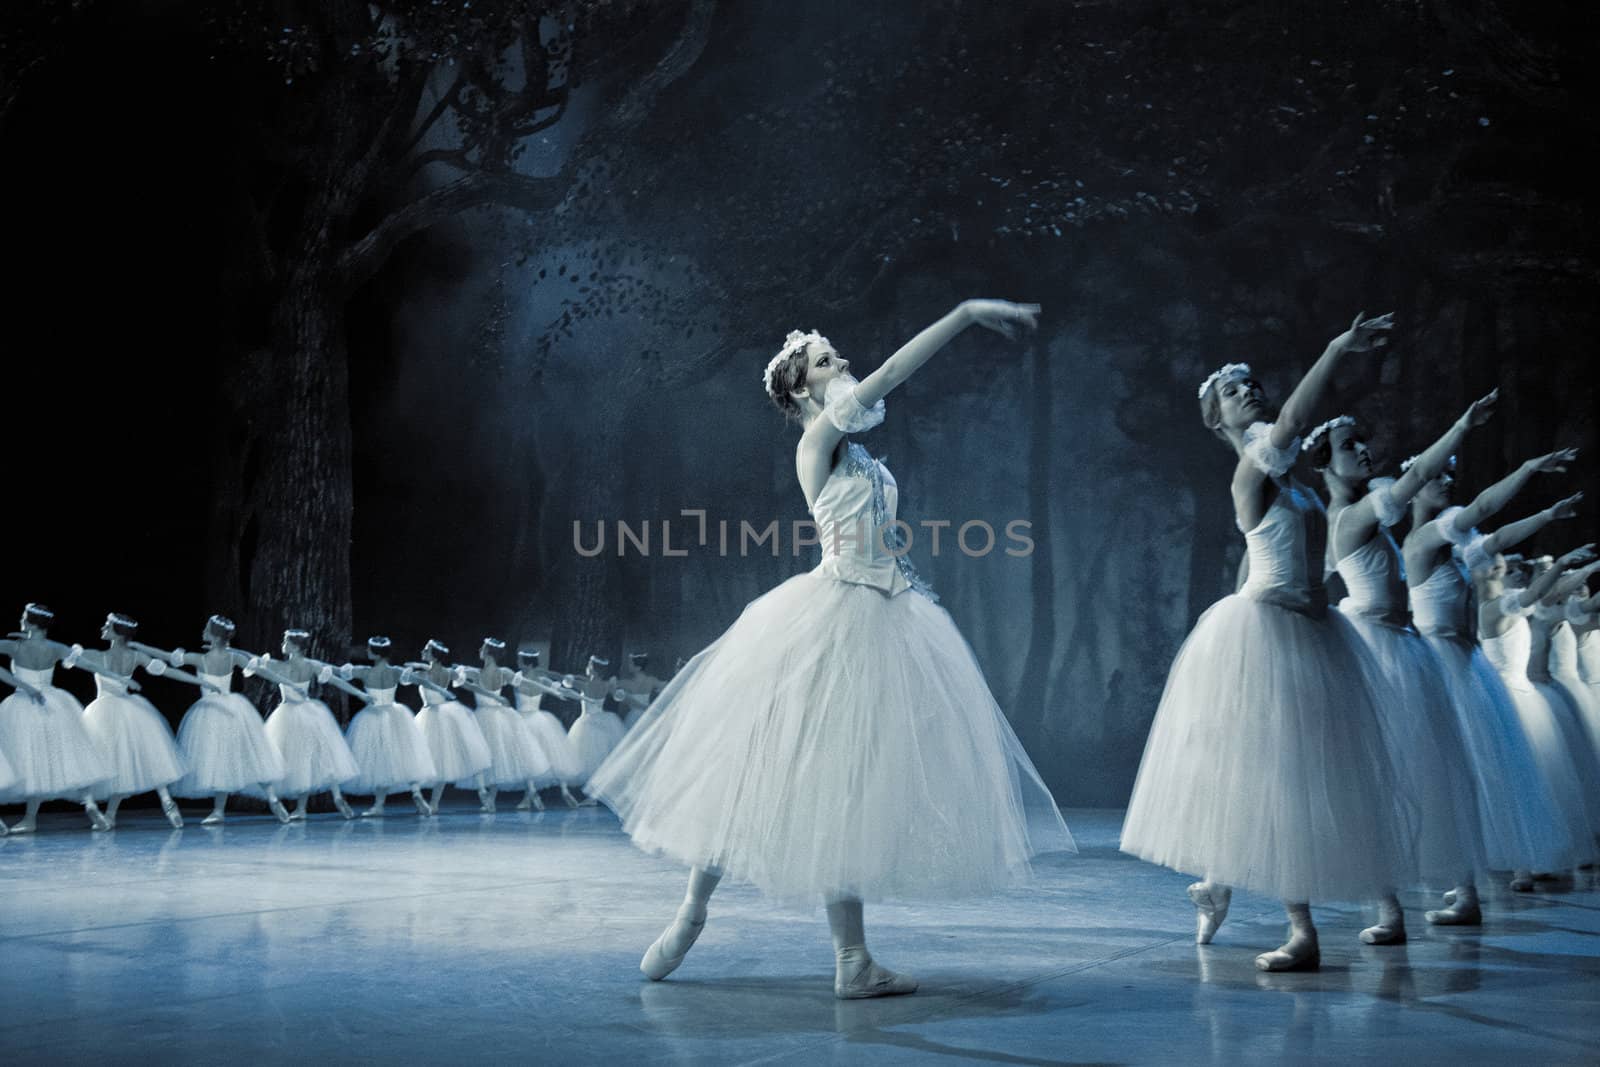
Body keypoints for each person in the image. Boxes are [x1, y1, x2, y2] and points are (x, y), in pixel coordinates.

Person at [588, 299, 1074, 999]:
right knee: (759, 764)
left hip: (887, 616)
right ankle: (694, 911)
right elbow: (893, 370)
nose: (840, 363)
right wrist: (965, 314)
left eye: (834, 355)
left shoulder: (862, 453)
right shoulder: (815, 443)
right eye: (825, 361)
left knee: (844, 784)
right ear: (800, 391)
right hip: (830, 615)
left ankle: (852, 958)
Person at [1122, 313, 1421, 972]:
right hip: (1273, 634)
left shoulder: (1295, 481)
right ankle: (1298, 927)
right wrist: (1337, 346)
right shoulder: (1249, 478)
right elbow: (1290, 425)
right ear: (1215, 417)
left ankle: (1377, 905)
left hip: (1313, 629)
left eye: (1252, 383)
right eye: (1234, 391)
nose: (1250, 392)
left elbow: (1266, 553)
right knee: (1282, 778)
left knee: (1337, 772)